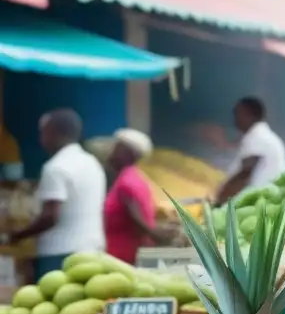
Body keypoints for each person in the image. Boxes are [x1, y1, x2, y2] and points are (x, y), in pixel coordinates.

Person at [0, 109, 106, 278]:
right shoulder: (91, 162)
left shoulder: (55, 167)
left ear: (53, 132)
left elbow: (50, 216)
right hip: (92, 249)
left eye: (43, 132)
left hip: (60, 254)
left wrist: (18, 236)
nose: (41, 138)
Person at [103, 129, 171, 264]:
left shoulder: (126, 182)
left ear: (128, 154)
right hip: (126, 256)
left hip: (125, 259)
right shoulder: (133, 177)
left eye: (116, 148)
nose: (111, 153)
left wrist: (159, 237)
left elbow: (137, 219)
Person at [214, 97, 285, 204]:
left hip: (262, 204)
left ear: (249, 115)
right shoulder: (264, 136)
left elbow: (244, 174)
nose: (235, 119)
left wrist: (219, 202)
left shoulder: (258, 137)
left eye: (237, 114)